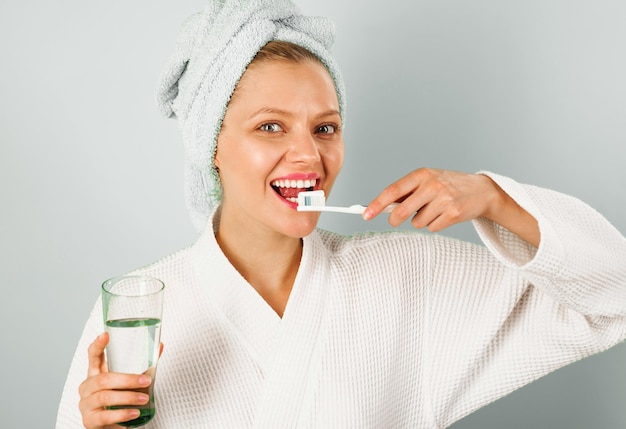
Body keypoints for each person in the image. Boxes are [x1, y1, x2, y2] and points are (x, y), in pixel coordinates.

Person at [56, 0, 626, 428]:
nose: (308, 154)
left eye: (324, 128)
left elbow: (613, 296)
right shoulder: (138, 308)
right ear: (210, 147)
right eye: (270, 126)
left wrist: (493, 197)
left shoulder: (408, 276)